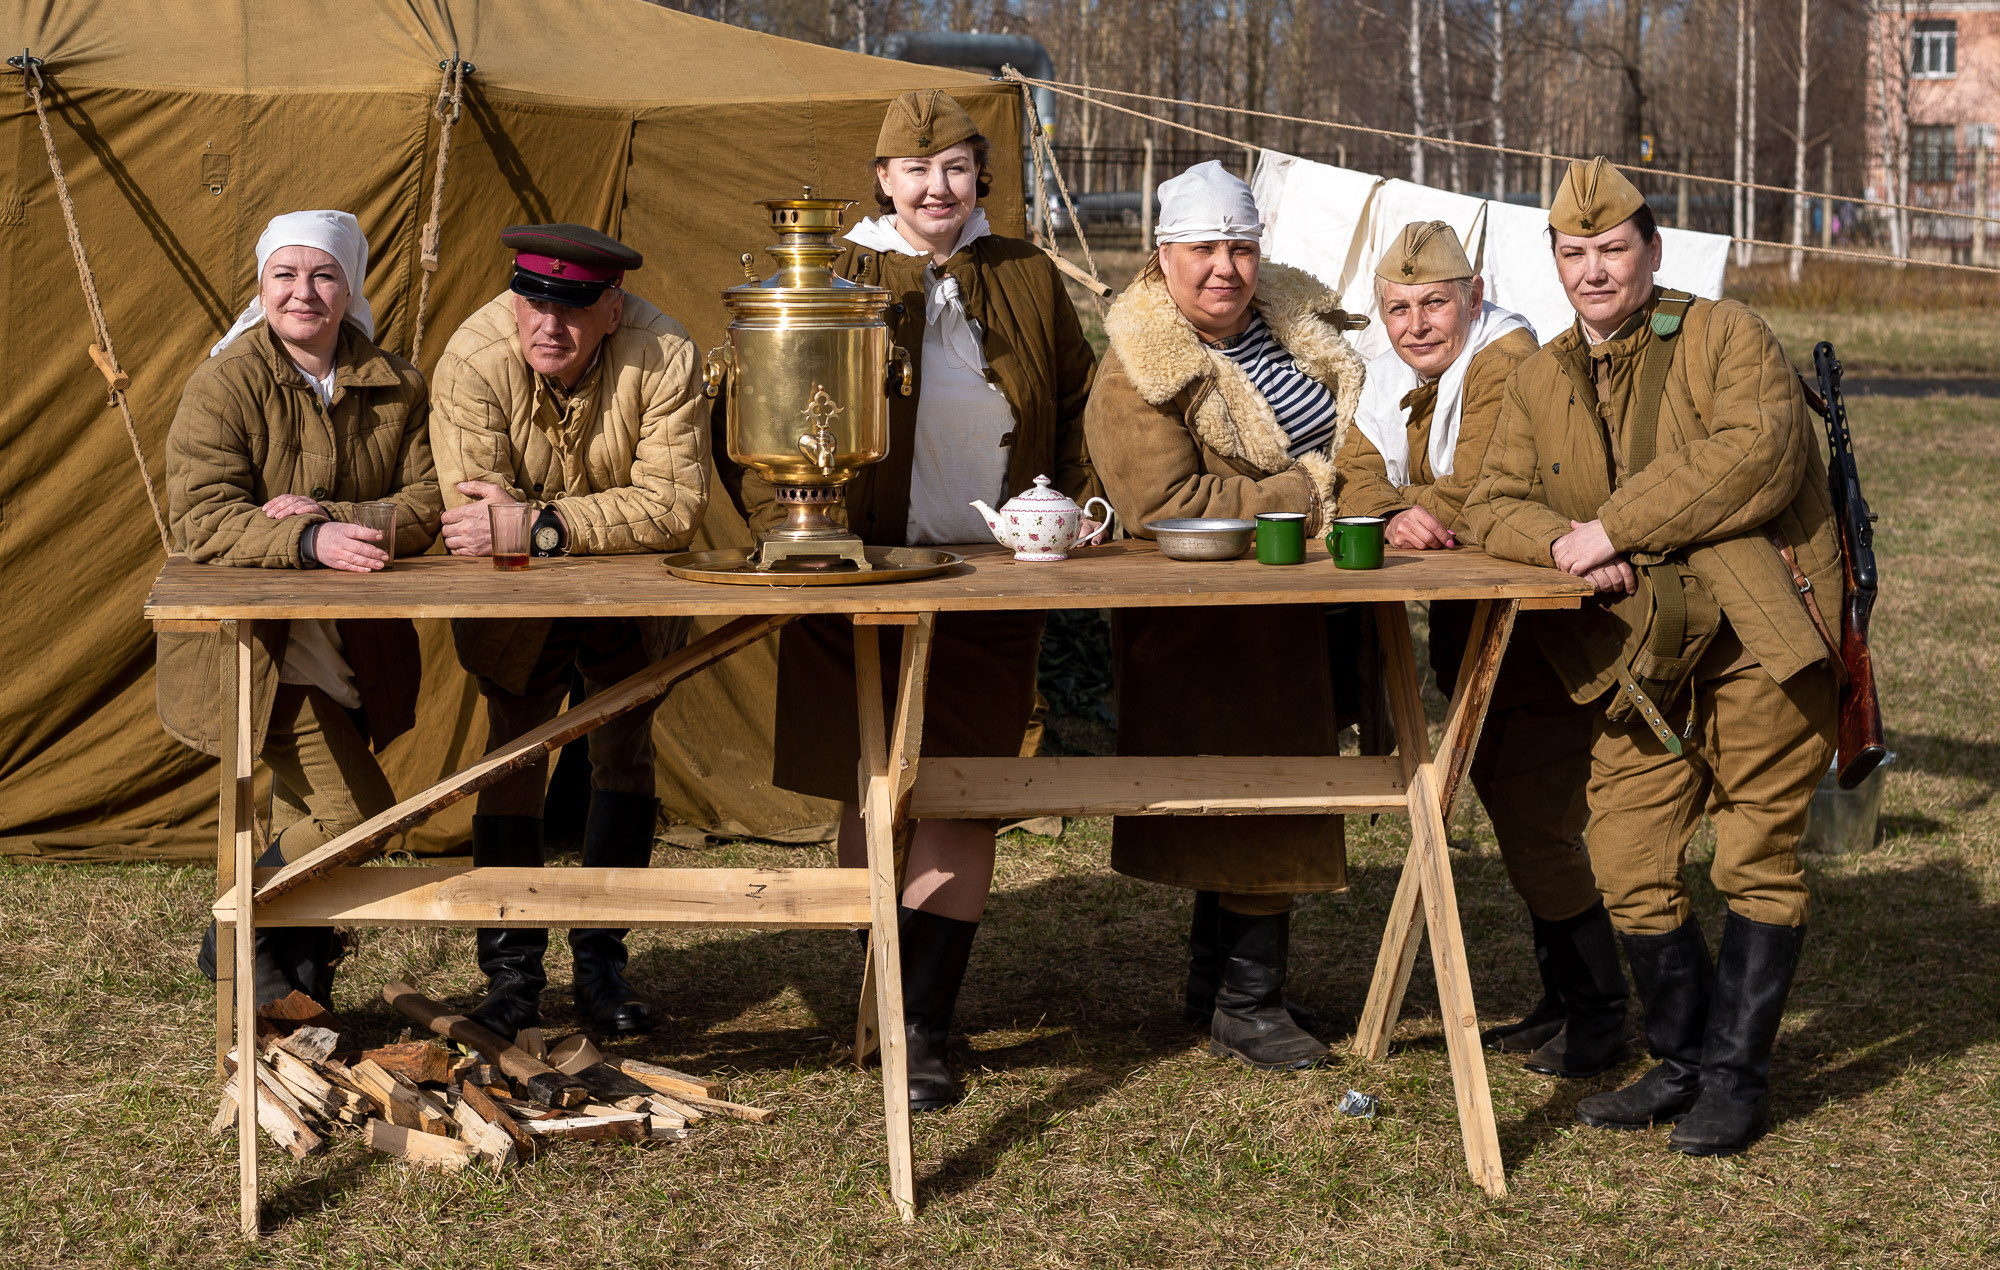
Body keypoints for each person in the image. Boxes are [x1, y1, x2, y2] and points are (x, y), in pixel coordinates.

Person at [1466, 158, 1842, 1155]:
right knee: (1627, 860)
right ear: (1551, 260)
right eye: (1574, 252)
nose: (1595, 272)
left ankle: (1733, 1076)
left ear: (1652, 249)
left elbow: (1756, 453)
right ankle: (1677, 1060)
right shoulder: (1538, 374)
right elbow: (1489, 499)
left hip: (1758, 638)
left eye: (1612, 249)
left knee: (1752, 856)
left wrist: (1610, 527)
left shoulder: (1723, 334)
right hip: (1638, 658)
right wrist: (1556, 542)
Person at [733, 89, 1096, 1112]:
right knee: (867, 779)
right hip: (859, 564)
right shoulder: (835, 271)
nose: (935, 187)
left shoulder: (1024, 275)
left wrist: (1063, 504)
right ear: (881, 180)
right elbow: (761, 402)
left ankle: (927, 1025)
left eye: (954, 168)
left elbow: (1073, 400)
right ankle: (879, 998)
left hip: (987, 567)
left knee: (961, 783)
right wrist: (794, 530)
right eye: (913, 168)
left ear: (978, 174)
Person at [1082, 161, 1363, 1072]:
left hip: (1298, 610)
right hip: (1212, 619)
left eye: (1240, 248)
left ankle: (1219, 982)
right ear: (1163, 255)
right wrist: (1313, 490)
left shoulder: (1289, 331)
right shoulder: (1138, 368)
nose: (1224, 269)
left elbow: (1351, 428)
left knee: (1265, 792)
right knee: (1263, 793)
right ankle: (1249, 1004)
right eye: (1202, 248)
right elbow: (1166, 502)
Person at [1337, 222, 1629, 1080]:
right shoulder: (1380, 373)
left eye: (1435, 303)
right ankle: (1563, 1000)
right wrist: (1391, 511)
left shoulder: (1507, 359)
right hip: (1476, 617)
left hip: (1545, 618)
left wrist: (1404, 504)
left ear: (1471, 298)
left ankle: (1603, 1011)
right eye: (1400, 307)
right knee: (1504, 794)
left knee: (1535, 808)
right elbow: (1351, 472)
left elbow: (1480, 486)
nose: (1418, 324)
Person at [429, 224, 710, 1040]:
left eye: (575, 309)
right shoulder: (473, 359)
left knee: (624, 750)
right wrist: (544, 526)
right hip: (514, 599)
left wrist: (541, 525)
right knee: (512, 751)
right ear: (515, 301)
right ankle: (511, 975)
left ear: (613, 309)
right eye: (533, 304)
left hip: (625, 594)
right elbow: (474, 516)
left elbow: (676, 506)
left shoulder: (666, 352)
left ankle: (601, 962)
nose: (549, 326)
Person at [161, 209, 441, 1010]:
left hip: (354, 640)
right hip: (264, 646)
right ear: (261, 286)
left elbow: (426, 501)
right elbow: (202, 518)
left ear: (348, 287)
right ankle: (233, 921)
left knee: (307, 810)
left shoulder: (396, 383)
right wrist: (305, 545)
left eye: (321, 275)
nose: (302, 293)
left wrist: (330, 518)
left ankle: (292, 991)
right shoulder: (224, 383)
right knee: (361, 816)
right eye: (284, 275)